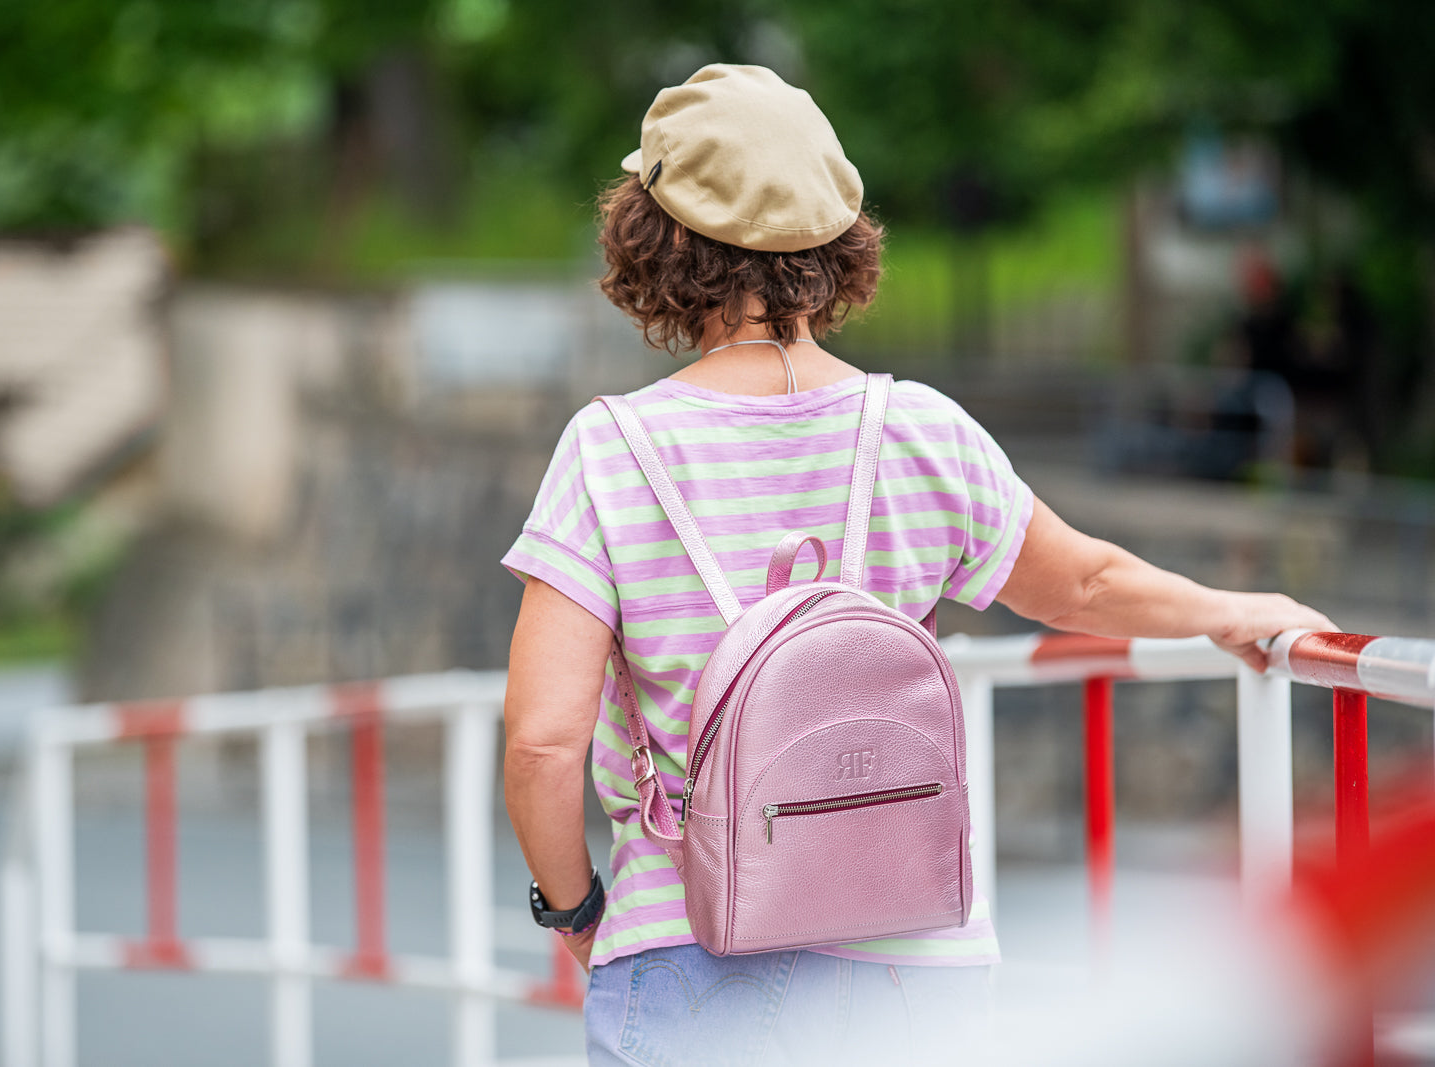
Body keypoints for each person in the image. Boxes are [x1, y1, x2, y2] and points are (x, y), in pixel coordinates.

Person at [500, 64, 1332, 1065]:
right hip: (911, 958)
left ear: (656, 233)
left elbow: (544, 741)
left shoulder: (610, 450)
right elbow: (1082, 584)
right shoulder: (921, 429)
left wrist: (576, 906)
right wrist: (1229, 608)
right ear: (833, 235)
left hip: (690, 947)